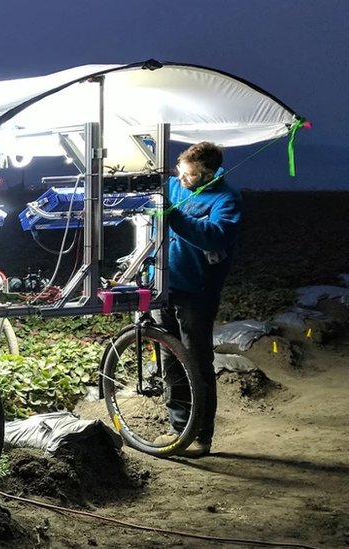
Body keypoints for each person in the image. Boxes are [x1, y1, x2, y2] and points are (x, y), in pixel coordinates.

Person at [152, 141, 242, 457]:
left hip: (197, 293)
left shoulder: (226, 200)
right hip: (163, 286)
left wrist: (173, 217)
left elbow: (215, 235)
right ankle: (179, 430)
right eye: (181, 171)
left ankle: (201, 436)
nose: (183, 179)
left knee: (196, 362)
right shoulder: (173, 186)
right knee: (170, 360)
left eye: (190, 175)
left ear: (208, 173)